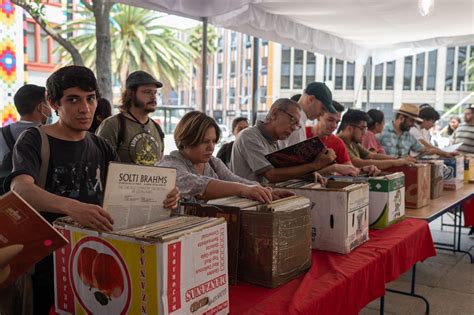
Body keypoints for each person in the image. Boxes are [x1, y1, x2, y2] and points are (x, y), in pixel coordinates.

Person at [4, 66, 179, 314]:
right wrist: (73, 207)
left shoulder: (101, 146)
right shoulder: (34, 139)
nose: (84, 108)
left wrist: (166, 196)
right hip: (46, 262)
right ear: (53, 102)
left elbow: (125, 189)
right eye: (73, 99)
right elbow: (21, 189)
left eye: (90, 98)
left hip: (92, 258)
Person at [158, 111, 293, 203]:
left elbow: (235, 180)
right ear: (186, 141)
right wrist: (244, 190)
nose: (211, 147)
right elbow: (197, 185)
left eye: (213, 141)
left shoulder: (212, 163)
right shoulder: (170, 164)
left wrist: (267, 191)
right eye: (205, 142)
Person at [231, 98, 333, 183]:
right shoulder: (249, 136)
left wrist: (308, 174)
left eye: (298, 125)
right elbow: (272, 175)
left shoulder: (275, 141)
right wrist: (314, 166)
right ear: (274, 113)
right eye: (292, 120)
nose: (294, 128)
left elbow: (283, 171)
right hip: (246, 203)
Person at [96, 71, 165, 165]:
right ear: (131, 94)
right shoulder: (113, 125)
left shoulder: (157, 128)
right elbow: (99, 166)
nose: (153, 97)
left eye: (155, 93)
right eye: (147, 92)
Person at [0, 84, 52, 194]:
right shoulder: (49, 135)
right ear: (41, 107)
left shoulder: (1, 133)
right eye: (48, 103)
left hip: (5, 199)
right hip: (39, 200)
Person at [337, 110, 414, 170]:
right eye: (362, 129)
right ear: (350, 128)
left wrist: (398, 159)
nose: (364, 133)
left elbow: (372, 155)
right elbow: (359, 163)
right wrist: (395, 162)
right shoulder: (339, 142)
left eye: (365, 129)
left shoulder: (354, 143)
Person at [279, 82, 336, 147]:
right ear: (310, 99)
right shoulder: (297, 125)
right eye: (322, 108)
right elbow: (294, 157)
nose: (322, 114)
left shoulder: (288, 117)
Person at [313, 101, 360, 176]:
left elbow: (351, 170)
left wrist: (362, 169)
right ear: (319, 116)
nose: (334, 125)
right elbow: (297, 173)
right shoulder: (302, 134)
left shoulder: (337, 142)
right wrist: (333, 168)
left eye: (337, 122)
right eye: (330, 120)